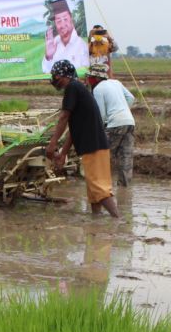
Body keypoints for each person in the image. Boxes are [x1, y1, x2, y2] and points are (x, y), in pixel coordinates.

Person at [44, 60, 119, 218]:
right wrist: (63, 152)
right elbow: (73, 129)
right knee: (94, 190)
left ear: (65, 76)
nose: (54, 79)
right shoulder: (79, 89)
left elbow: (64, 117)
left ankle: (117, 221)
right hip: (94, 145)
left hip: (93, 146)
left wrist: (52, 143)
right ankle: (96, 221)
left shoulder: (72, 87)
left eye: (55, 76)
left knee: (100, 189)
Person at [85, 63, 136, 187]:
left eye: (89, 77)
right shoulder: (116, 83)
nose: (88, 80)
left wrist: (97, 131)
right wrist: (123, 111)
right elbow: (131, 98)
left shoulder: (98, 89)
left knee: (104, 155)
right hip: (129, 122)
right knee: (126, 157)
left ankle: (99, 186)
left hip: (114, 125)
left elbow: (101, 115)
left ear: (95, 78)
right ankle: (124, 189)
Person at [40, 0, 88, 74]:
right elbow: (45, 71)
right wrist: (49, 57)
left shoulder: (82, 46)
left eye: (65, 19)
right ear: (55, 23)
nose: (62, 25)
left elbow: (85, 72)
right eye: (58, 21)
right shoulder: (54, 42)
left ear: (71, 18)